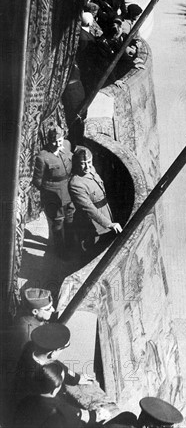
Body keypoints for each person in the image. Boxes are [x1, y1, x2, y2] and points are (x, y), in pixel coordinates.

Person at [13, 324, 93, 410]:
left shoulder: (31, 348)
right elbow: (51, 403)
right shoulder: (40, 376)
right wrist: (81, 414)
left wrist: (76, 378)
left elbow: (57, 365)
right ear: (52, 353)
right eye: (62, 349)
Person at [13, 362, 115, 427]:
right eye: (62, 379)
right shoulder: (62, 410)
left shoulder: (25, 400)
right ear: (55, 390)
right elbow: (85, 417)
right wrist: (99, 414)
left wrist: (77, 378)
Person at [69, 146, 122, 254]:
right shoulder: (76, 184)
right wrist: (109, 224)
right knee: (92, 249)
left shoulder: (91, 170)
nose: (87, 167)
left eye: (89, 162)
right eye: (83, 163)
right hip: (91, 222)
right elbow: (89, 208)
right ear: (77, 163)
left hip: (105, 214)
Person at [32, 124, 75, 257]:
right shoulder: (43, 157)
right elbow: (37, 181)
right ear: (48, 141)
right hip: (53, 194)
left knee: (70, 218)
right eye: (54, 141)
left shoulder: (67, 145)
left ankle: (70, 244)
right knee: (58, 222)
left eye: (60, 141)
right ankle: (60, 250)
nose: (57, 144)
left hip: (69, 190)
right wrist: (49, 192)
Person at [13, 288, 55, 354]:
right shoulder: (28, 333)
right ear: (35, 311)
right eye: (48, 309)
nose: (53, 310)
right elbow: (27, 357)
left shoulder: (35, 320)